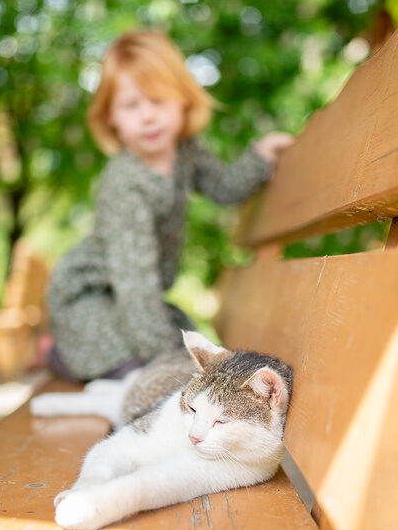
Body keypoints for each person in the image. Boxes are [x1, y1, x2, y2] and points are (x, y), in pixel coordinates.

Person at [43, 29, 293, 382]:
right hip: (90, 298)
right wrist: (170, 367)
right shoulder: (125, 183)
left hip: (129, 298)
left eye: (157, 101)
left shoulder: (185, 151)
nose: (147, 116)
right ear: (111, 116)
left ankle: (70, 352)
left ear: (183, 100)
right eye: (131, 105)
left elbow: (222, 187)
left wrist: (259, 158)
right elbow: (135, 283)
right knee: (133, 366)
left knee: (178, 334)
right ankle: (61, 354)